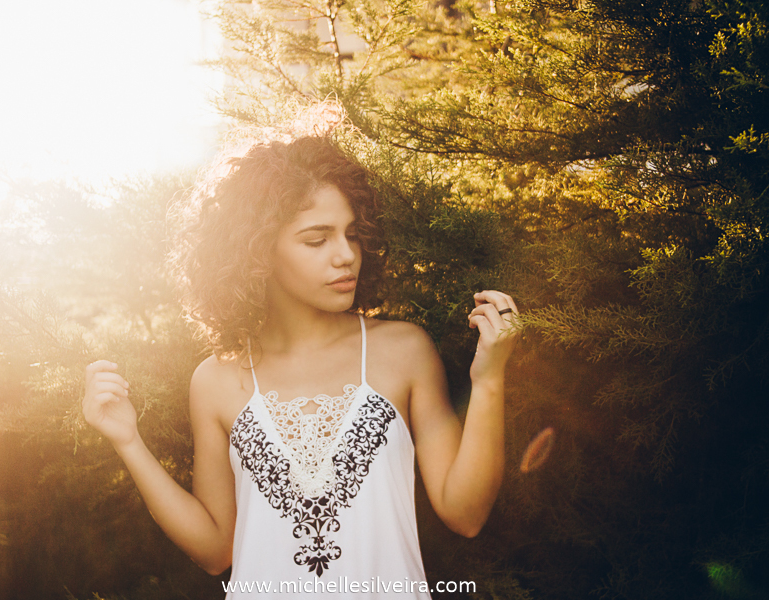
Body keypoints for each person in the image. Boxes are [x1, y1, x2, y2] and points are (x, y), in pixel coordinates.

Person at [82, 136, 519, 598]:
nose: (346, 254)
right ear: (258, 251)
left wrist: (489, 379)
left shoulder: (403, 351)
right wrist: (128, 441)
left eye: (352, 234)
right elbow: (216, 551)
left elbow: (465, 514)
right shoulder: (215, 381)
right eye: (317, 239)